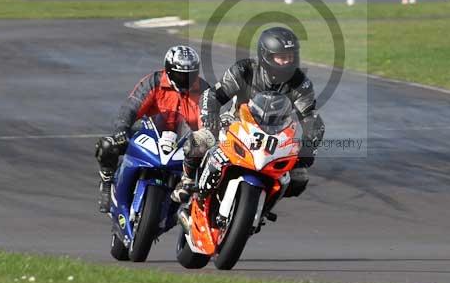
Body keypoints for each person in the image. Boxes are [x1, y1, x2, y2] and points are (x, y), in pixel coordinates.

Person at [172, 26, 325, 203]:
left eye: (290, 57)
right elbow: (212, 95)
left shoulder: (300, 83)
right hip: (235, 124)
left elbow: (311, 118)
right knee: (199, 141)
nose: (287, 63)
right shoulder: (245, 70)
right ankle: (187, 181)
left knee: (299, 177)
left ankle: (262, 207)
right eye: (282, 57)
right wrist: (210, 116)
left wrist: (309, 145)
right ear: (266, 56)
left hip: (276, 135)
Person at [94, 45, 209, 213]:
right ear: (169, 71)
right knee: (108, 145)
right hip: (149, 131)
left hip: (183, 141)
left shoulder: (204, 90)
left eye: (190, 75)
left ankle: (192, 208)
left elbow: (208, 122)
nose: (185, 80)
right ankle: (107, 181)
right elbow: (131, 107)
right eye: (180, 75)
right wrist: (122, 128)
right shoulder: (154, 81)